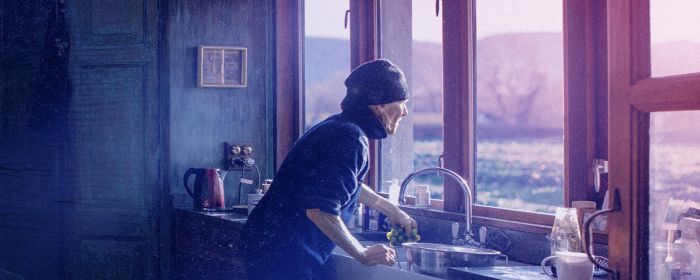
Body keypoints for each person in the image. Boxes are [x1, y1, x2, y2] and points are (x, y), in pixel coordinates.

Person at [239, 59, 418, 279]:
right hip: (284, 252)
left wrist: (393, 210)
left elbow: (344, 186)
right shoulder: (350, 138)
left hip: (272, 246)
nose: (405, 112)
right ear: (381, 104)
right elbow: (320, 210)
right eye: (402, 102)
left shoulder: (339, 127)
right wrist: (362, 253)